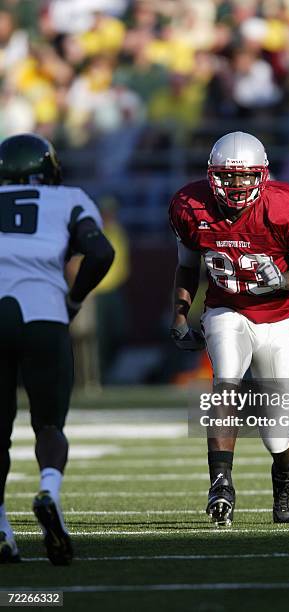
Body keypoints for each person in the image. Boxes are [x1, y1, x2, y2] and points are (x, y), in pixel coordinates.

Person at [169, 131, 289, 526]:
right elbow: (188, 265)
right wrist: (181, 313)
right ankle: (221, 481)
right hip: (226, 309)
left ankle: (286, 477)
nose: (236, 185)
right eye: (227, 176)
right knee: (226, 379)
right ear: (211, 175)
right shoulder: (191, 206)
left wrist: (282, 281)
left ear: (263, 175)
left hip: (279, 320)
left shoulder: (285, 208)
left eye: (245, 176)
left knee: (276, 432)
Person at [0, 133, 114, 564]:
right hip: (43, 313)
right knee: (49, 425)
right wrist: (75, 297)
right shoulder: (68, 198)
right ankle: (48, 488)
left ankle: (1, 528)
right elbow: (101, 252)